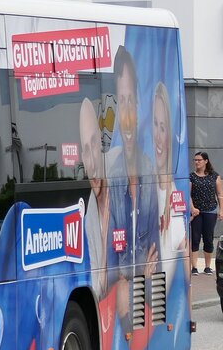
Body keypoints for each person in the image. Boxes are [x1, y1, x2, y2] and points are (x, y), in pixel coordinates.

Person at [105, 46, 159, 330]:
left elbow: (156, 255)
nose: (126, 115)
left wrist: (135, 272)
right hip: (127, 293)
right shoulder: (111, 176)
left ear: (138, 108)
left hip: (144, 293)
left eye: (131, 102)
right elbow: (111, 265)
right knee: (123, 296)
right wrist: (138, 270)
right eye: (121, 102)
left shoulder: (148, 170)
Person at [151, 84, 189, 286]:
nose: (158, 135)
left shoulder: (175, 193)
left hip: (161, 303)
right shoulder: (144, 188)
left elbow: (184, 279)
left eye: (163, 127)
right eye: (155, 125)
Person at [79, 98, 110, 297]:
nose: (92, 162)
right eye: (85, 150)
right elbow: (97, 289)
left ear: (102, 145)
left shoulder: (123, 196)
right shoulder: (88, 215)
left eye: (94, 144)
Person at [189, 150, 223, 273]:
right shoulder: (191, 176)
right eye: (195, 160)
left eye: (199, 160)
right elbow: (188, 195)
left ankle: (208, 266)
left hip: (211, 211)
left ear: (206, 161)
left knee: (208, 238)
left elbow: (220, 194)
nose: (197, 162)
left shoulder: (215, 176)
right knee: (195, 238)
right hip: (196, 212)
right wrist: (192, 208)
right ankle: (194, 267)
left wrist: (221, 210)